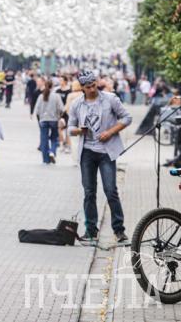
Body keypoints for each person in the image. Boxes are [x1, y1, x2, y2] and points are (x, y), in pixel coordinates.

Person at [68, 70, 132, 243]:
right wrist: (79, 130)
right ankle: (91, 231)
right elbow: (70, 128)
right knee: (89, 192)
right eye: (88, 87)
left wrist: (110, 132)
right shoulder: (77, 104)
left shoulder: (110, 99)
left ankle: (119, 230)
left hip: (106, 152)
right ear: (82, 87)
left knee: (111, 191)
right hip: (87, 153)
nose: (92, 89)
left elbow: (127, 118)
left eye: (94, 85)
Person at [35, 78, 65, 165]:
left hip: (43, 120)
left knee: (44, 139)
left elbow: (37, 110)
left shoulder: (41, 96)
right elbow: (61, 109)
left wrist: (40, 119)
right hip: (54, 120)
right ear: (53, 87)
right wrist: (59, 116)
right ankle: (52, 151)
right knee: (54, 137)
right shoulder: (56, 96)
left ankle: (45, 160)